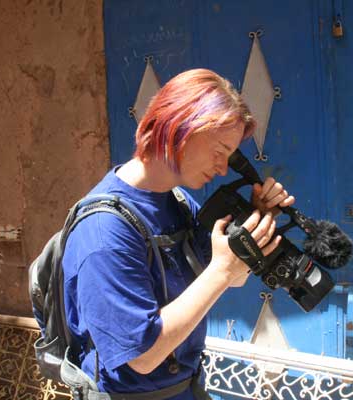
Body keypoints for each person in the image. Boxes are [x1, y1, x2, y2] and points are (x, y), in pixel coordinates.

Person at [62, 68, 295, 399]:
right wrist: (222, 270)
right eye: (219, 151)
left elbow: (234, 277)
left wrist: (257, 217)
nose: (223, 169)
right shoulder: (104, 230)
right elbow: (142, 357)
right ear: (180, 127)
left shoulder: (179, 203)